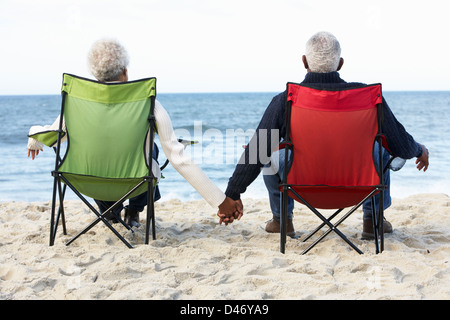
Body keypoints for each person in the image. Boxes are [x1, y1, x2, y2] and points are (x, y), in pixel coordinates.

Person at [218, 31, 429, 239]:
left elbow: (257, 150)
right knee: (381, 148)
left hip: (301, 186)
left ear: (304, 61)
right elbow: (401, 144)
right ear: (340, 64)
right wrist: (420, 149)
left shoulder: (286, 100)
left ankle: (282, 221)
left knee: (269, 151)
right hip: (358, 185)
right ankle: (373, 220)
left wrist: (232, 194)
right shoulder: (368, 98)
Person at [27, 38, 242, 227]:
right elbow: (178, 157)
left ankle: (109, 210)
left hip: (86, 182)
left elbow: (53, 135)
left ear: (95, 73)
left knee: (100, 152)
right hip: (135, 183)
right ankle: (134, 210)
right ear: (124, 71)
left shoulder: (76, 105)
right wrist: (220, 201)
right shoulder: (149, 104)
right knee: (153, 150)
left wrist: (33, 138)